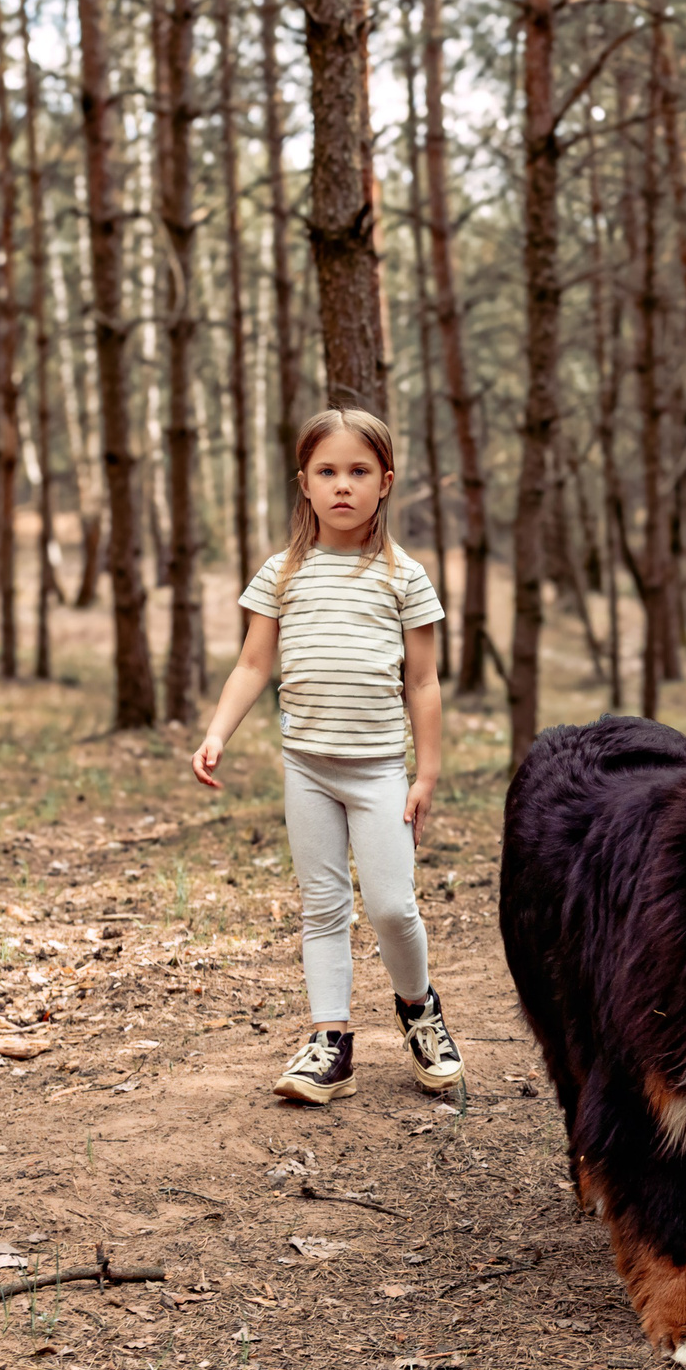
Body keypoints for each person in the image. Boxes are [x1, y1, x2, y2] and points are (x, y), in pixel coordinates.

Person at [190, 408, 466, 1104]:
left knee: (393, 907)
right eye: (327, 472)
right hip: (306, 768)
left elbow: (424, 681)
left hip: (379, 772)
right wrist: (218, 730)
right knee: (322, 905)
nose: (343, 485)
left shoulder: (404, 576)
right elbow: (254, 664)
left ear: (385, 483)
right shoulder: (283, 572)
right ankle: (330, 1041)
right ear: (304, 485)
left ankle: (418, 1010)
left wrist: (426, 773)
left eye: (358, 472)